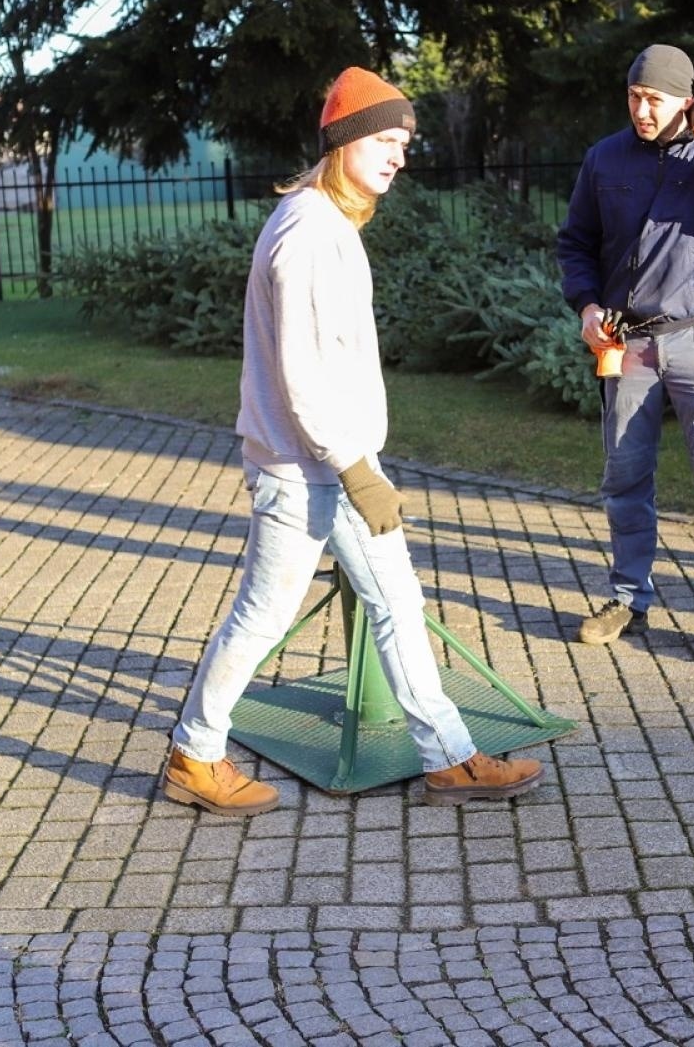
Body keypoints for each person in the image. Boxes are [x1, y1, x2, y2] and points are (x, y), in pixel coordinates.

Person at [162, 67, 546, 816]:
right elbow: (302, 373)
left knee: (393, 603)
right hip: (315, 468)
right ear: (342, 142)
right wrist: (354, 467)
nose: (400, 154)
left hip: (326, 465)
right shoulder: (309, 233)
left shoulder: (324, 223)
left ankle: (449, 757)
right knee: (269, 615)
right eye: (385, 139)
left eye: (405, 141)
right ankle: (194, 753)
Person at [556, 44, 694, 666]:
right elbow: (575, 243)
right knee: (625, 479)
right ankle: (628, 599)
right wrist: (587, 306)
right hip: (625, 344)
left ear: (685, 100)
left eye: (654, 99)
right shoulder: (605, 158)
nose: (641, 110)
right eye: (633, 97)